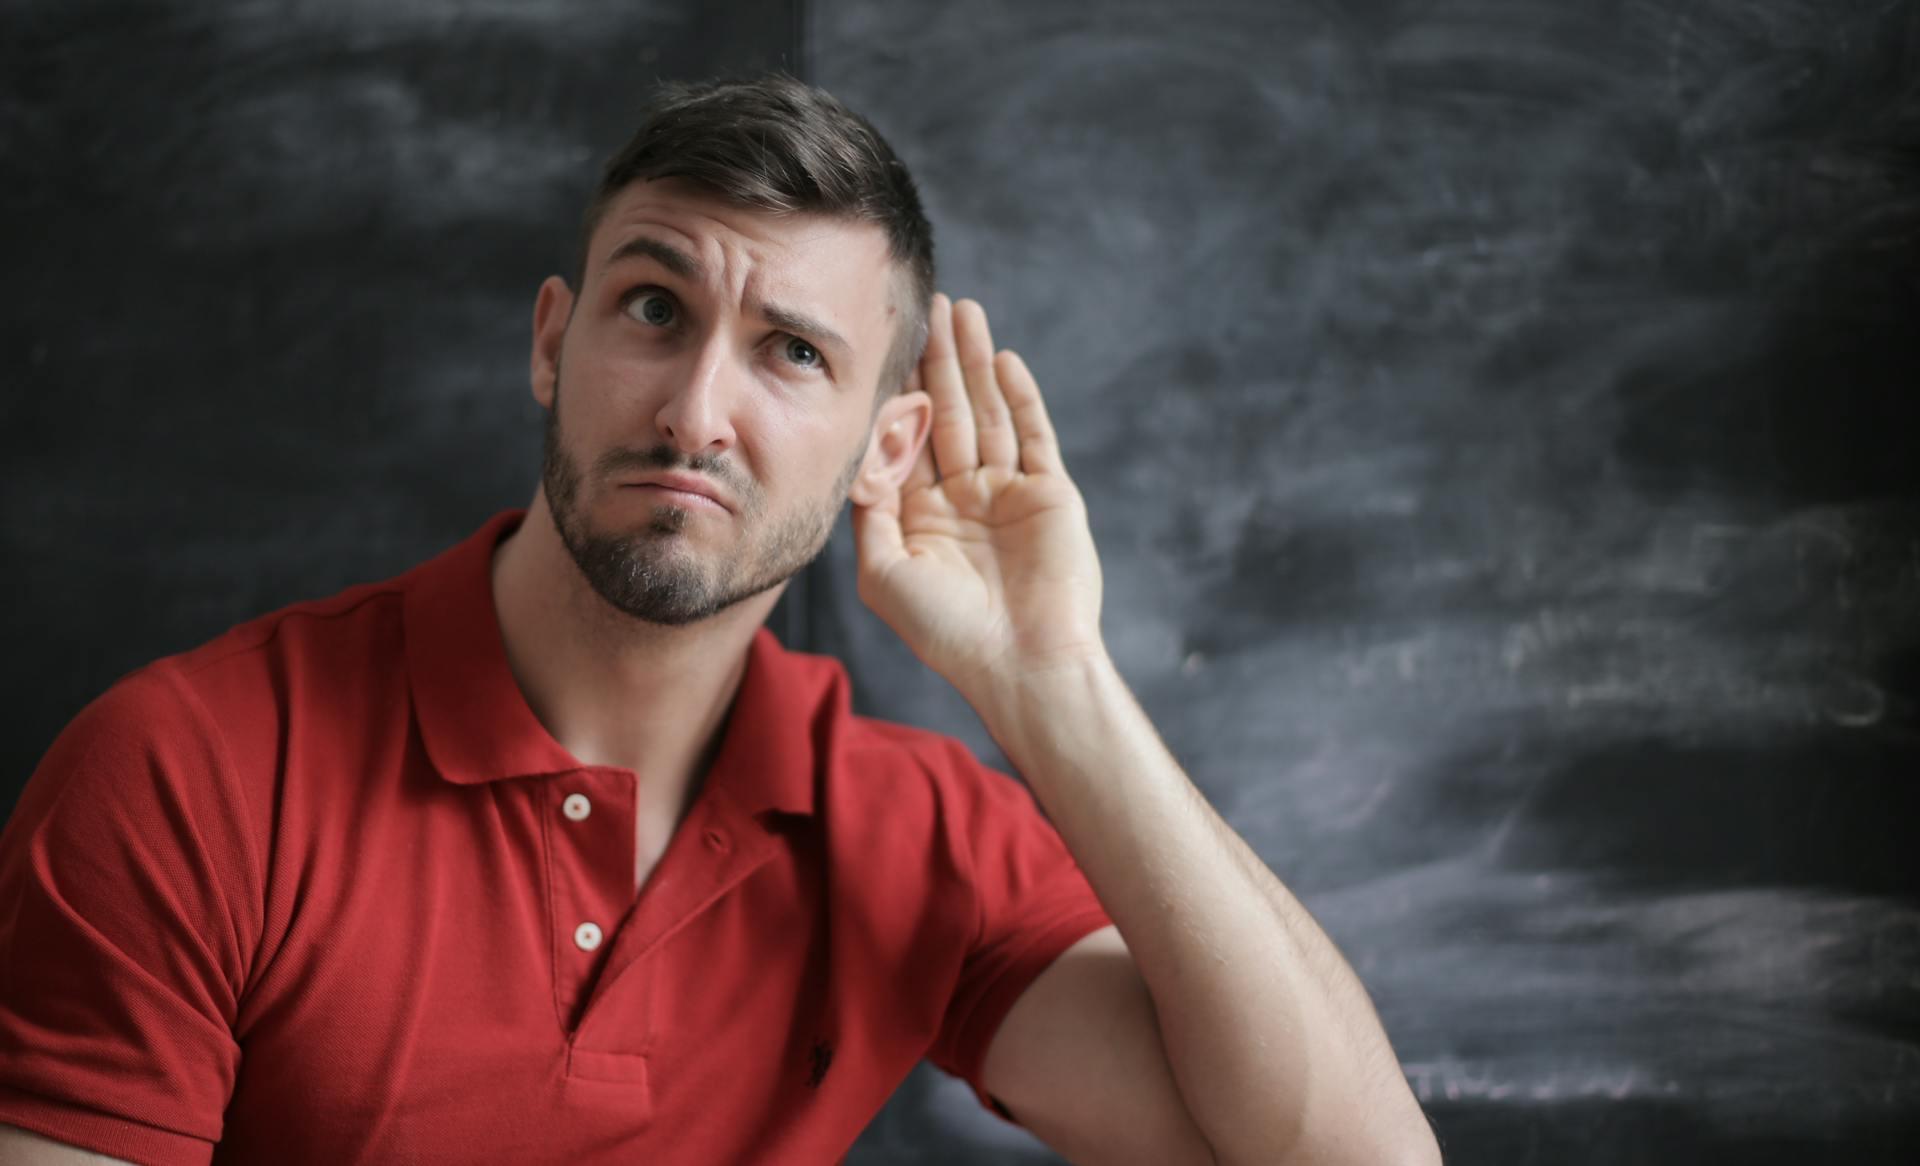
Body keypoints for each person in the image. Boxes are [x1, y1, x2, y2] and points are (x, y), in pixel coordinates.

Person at [0, 74, 1440, 1165]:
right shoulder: (184, 772)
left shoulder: (910, 839)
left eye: (792, 352)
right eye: (652, 309)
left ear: (888, 448)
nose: (697, 410)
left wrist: (1054, 681)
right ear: (554, 343)